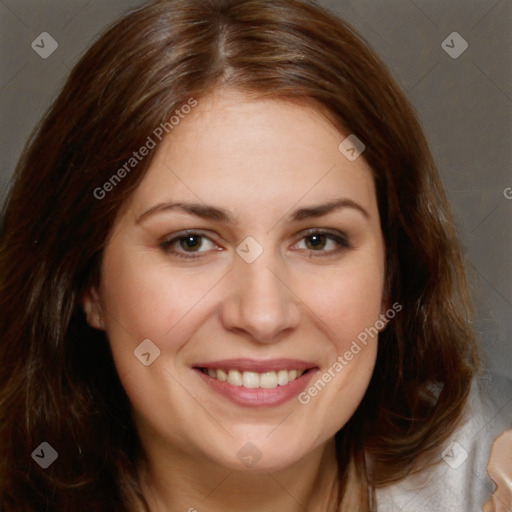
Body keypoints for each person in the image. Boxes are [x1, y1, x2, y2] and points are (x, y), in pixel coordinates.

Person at [0, 0, 509, 510]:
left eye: (318, 240)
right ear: (89, 282)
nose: (263, 315)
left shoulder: (488, 468)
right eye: (191, 242)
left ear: (390, 277)